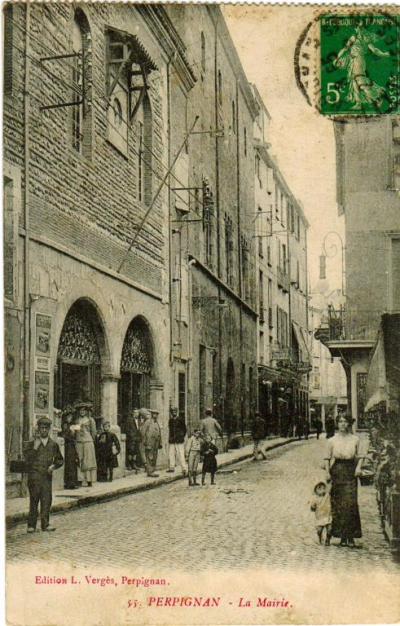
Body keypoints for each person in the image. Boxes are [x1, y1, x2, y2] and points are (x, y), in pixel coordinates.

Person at [324, 413, 364, 547]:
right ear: (337, 423)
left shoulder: (355, 439)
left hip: (350, 471)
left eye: (345, 421)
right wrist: (327, 472)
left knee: (351, 503)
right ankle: (341, 536)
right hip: (337, 471)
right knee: (338, 504)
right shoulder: (331, 440)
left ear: (349, 424)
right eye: (340, 421)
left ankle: (351, 536)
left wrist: (358, 467)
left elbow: (360, 456)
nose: (342, 424)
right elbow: (327, 458)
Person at [333, 23, 390, 110]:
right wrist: (384, 54)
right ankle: (358, 103)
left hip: (358, 61)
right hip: (353, 61)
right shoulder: (361, 38)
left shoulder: (359, 38)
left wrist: (384, 54)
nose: (357, 29)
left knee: (360, 81)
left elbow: (374, 50)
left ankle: (377, 98)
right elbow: (345, 48)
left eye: (357, 27)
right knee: (354, 81)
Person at [24, 416, 64, 533]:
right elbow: (27, 458)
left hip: (46, 476)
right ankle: (31, 525)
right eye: (42, 428)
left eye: (46, 428)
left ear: (49, 429)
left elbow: (60, 459)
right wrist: (35, 448)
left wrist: (54, 466)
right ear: (38, 429)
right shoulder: (32, 443)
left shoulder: (53, 444)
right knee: (34, 500)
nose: (44, 430)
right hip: (34, 475)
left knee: (46, 500)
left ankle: (45, 524)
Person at [73, 400, 97, 487]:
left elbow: (93, 432)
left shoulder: (90, 420)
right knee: (79, 459)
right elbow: (75, 432)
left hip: (88, 441)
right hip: (79, 441)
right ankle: (80, 479)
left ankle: (89, 479)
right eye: (80, 410)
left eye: (84, 410)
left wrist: (91, 440)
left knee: (88, 461)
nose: (82, 412)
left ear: (87, 411)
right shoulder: (77, 421)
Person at [141, 408, 162, 478]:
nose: (155, 416)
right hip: (149, 443)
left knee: (154, 457)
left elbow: (159, 433)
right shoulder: (148, 422)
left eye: (157, 414)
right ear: (152, 414)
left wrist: (160, 443)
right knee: (149, 457)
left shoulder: (156, 423)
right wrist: (145, 442)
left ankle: (152, 471)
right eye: (154, 414)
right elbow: (143, 432)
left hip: (156, 443)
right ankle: (149, 472)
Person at [61, 405, 78, 490]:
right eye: (68, 416)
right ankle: (69, 483)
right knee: (69, 464)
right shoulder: (64, 424)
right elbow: (64, 435)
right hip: (67, 445)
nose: (69, 418)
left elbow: (77, 433)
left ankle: (73, 482)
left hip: (72, 445)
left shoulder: (73, 424)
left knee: (73, 463)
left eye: (71, 416)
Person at [310, 481, 332, 546]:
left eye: (323, 488)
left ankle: (328, 540)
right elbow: (312, 509)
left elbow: (330, 488)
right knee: (319, 530)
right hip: (320, 517)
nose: (322, 490)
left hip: (328, 516)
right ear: (316, 491)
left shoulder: (327, 496)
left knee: (329, 529)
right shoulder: (315, 499)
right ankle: (320, 538)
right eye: (319, 489)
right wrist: (313, 506)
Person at [167, 407, 187, 476]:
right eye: (172, 412)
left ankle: (184, 468)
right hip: (172, 439)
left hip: (179, 440)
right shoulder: (170, 420)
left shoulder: (181, 419)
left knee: (181, 454)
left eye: (175, 411)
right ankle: (171, 467)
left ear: (177, 412)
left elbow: (184, 430)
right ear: (171, 413)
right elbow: (170, 430)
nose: (174, 413)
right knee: (171, 454)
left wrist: (181, 436)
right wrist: (170, 438)